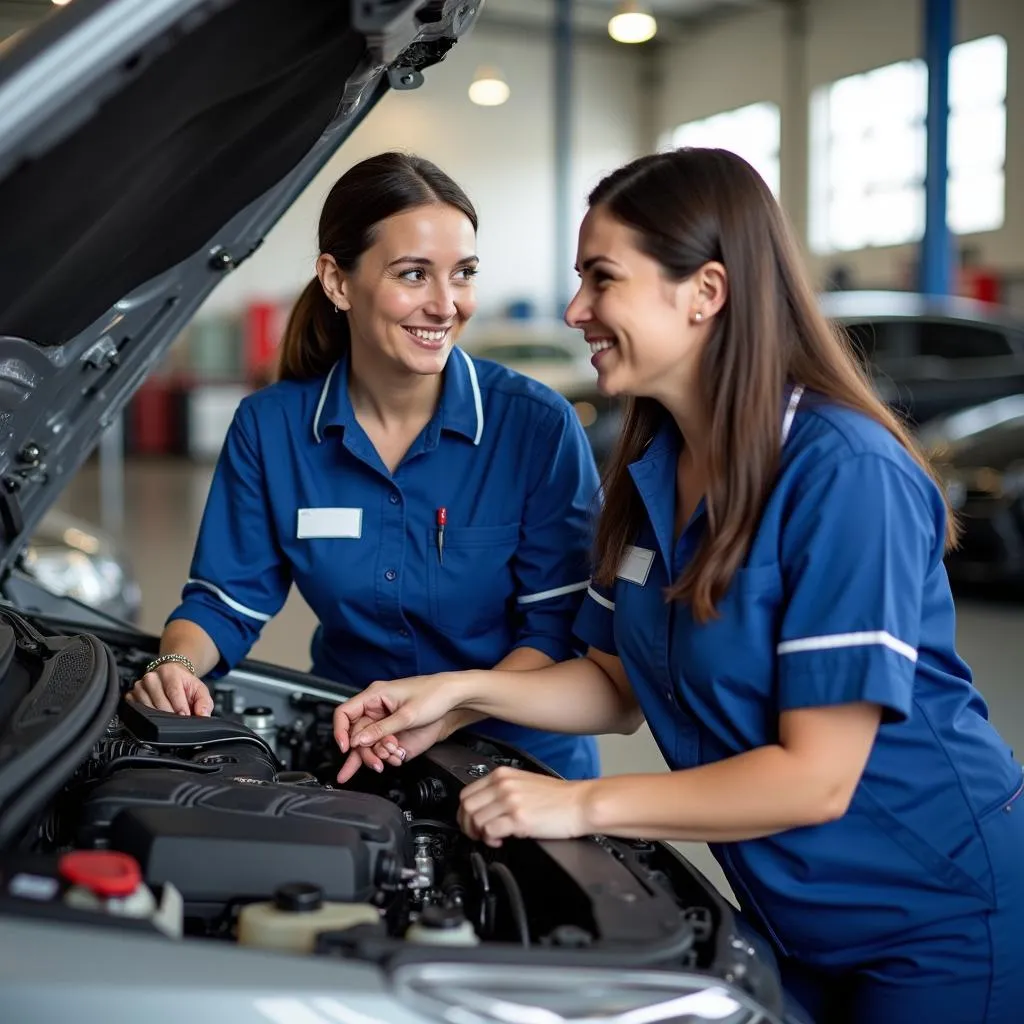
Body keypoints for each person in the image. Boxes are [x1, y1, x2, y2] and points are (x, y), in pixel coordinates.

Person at [334, 149, 1024, 1023]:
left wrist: (582, 803)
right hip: (792, 917)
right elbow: (614, 682)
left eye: (601, 280)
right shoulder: (656, 466)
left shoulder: (843, 474)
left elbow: (815, 780)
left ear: (705, 291)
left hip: (940, 913)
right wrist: (459, 695)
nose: (577, 310)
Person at [128, 151, 601, 782]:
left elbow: (557, 631)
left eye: (463, 273)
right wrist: (177, 668)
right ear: (337, 280)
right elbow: (224, 601)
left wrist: (447, 707)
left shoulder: (536, 427)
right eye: (413, 275)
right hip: (357, 748)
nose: (445, 305)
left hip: (525, 762)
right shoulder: (271, 430)